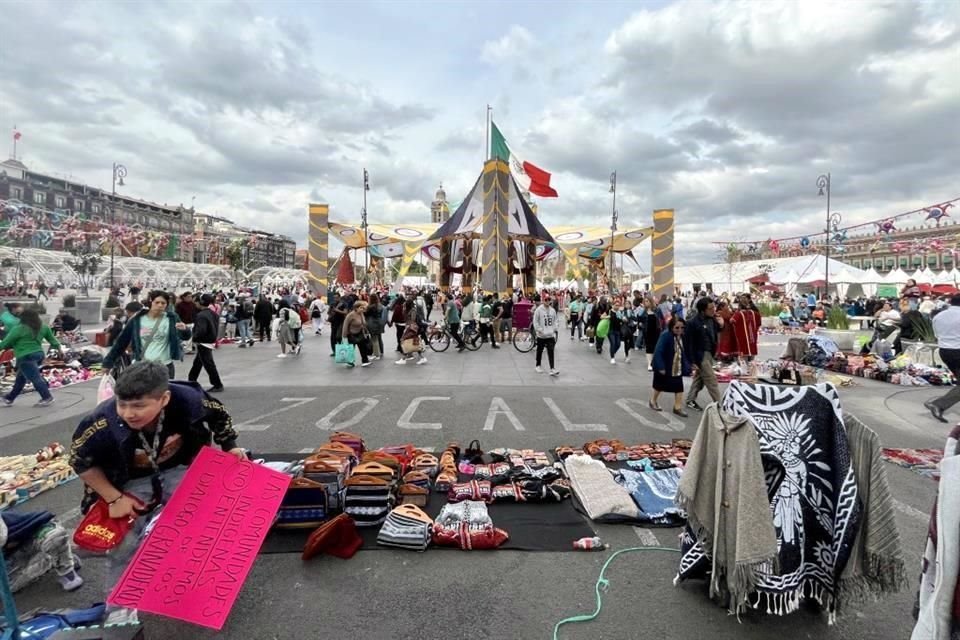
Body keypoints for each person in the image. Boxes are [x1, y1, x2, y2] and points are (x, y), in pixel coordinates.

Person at [68, 361, 243, 624]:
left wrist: (230, 446)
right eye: (122, 404)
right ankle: (119, 606)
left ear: (164, 398)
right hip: (125, 482)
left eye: (139, 405)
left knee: (203, 524)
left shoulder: (190, 400)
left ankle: (196, 584)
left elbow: (219, 415)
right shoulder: (101, 421)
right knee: (124, 543)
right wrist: (114, 498)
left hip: (180, 469)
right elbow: (79, 461)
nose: (129, 413)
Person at [103, 290, 190, 378]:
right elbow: (121, 342)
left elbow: (185, 337)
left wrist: (185, 330)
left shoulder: (172, 318)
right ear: (151, 302)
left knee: (164, 391)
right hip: (142, 366)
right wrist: (108, 362)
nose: (160, 305)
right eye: (157, 302)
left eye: (163, 303)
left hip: (165, 366)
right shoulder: (137, 319)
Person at [1, 510, 83, 593]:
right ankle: (55, 560)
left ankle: (67, 572)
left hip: (33, 532)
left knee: (53, 538)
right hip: (12, 550)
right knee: (6, 586)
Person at [0, 308, 64, 407]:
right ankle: (9, 398)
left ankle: (47, 397)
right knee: (21, 378)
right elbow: (53, 340)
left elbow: (5, 343)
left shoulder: (19, 328)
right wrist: (60, 351)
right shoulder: (43, 327)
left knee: (35, 378)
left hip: (25, 356)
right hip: (39, 355)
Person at [924, 295, 960, 423]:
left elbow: (936, 335)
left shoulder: (938, 316)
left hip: (944, 351)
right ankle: (939, 404)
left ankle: (940, 404)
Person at [684, 297, 722, 411]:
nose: (713, 310)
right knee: (711, 380)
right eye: (710, 308)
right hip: (700, 355)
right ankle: (720, 404)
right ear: (702, 310)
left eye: (713, 307)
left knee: (699, 379)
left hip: (710, 353)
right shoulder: (692, 323)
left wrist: (721, 325)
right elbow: (688, 343)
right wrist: (691, 361)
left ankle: (690, 400)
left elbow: (716, 333)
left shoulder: (713, 320)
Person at [651, 316, 691, 417]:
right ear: (671, 327)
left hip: (677, 366)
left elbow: (686, 351)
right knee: (659, 386)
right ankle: (653, 401)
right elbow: (658, 351)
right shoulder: (665, 335)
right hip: (665, 365)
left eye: (682, 327)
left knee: (678, 387)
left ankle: (677, 407)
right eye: (677, 328)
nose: (680, 330)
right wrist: (660, 367)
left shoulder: (683, 336)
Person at [187, 294, 224, 392]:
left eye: (196, 301)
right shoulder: (213, 314)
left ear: (201, 302)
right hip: (210, 340)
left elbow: (201, 330)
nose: (195, 303)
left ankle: (217, 384)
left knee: (208, 364)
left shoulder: (201, 315)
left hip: (203, 342)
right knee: (198, 363)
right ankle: (191, 380)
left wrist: (194, 337)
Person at [396, 298, 428, 365]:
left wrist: (408, 326)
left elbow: (412, 320)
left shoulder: (413, 310)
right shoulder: (409, 310)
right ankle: (421, 358)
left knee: (404, 340)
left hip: (412, 328)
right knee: (414, 343)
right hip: (413, 328)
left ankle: (404, 358)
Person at [533, 295, 560, 375]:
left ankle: (552, 368)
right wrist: (539, 330)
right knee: (540, 350)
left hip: (550, 335)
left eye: (549, 299)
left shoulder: (552, 310)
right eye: (546, 299)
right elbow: (535, 321)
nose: (547, 301)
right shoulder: (538, 310)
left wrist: (554, 329)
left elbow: (556, 320)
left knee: (551, 351)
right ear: (543, 300)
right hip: (541, 335)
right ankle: (538, 365)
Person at [342, 300, 373, 367]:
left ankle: (365, 361)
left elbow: (364, 323)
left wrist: (365, 330)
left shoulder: (361, 314)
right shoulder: (350, 315)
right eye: (362, 308)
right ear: (356, 308)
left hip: (360, 332)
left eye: (364, 308)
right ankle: (350, 362)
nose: (363, 309)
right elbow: (345, 325)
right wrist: (344, 336)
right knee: (351, 348)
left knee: (363, 347)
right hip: (351, 334)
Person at [642, 297, 660, 371]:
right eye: (645, 301)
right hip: (647, 332)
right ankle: (649, 364)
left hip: (656, 331)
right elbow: (639, 318)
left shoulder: (657, 310)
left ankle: (654, 362)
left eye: (647, 301)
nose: (646, 302)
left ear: (651, 302)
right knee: (649, 347)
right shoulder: (643, 311)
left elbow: (661, 319)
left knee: (656, 347)